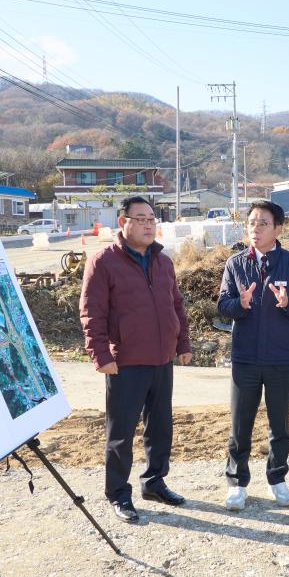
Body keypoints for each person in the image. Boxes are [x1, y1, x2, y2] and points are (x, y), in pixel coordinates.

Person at [80, 196, 192, 523]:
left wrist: (182, 343)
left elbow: (176, 307)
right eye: (140, 219)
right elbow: (92, 313)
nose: (147, 225)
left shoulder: (163, 261)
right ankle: (118, 492)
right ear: (123, 222)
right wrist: (100, 354)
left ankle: (154, 482)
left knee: (160, 428)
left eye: (151, 220)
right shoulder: (103, 262)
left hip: (161, 359)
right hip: (125, 361)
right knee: (122, 432)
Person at [217, 200, 289, 510]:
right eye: (251, 223)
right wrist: (240, 305)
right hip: (245, 357)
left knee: (279, 424)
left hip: (281, 358)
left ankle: (277, 478)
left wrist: (288, 303)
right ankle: (236, 482)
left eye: (262, 223)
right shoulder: (235, 264)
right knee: (240, 423)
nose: (255, 228)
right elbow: (223, 305)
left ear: (278, 229)